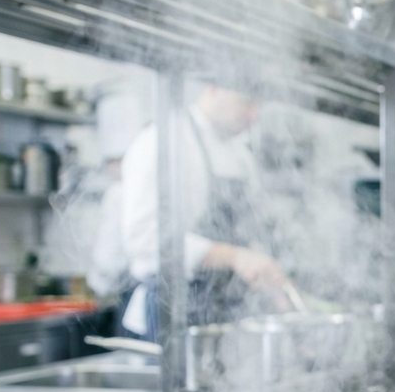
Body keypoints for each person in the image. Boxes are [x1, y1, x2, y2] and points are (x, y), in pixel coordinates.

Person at [106, 84, 288, 340]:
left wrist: (270, 283)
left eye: (259, 106)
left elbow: (249, 234)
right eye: (246, 102)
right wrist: (235, 257)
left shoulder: (241, 157)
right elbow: (144, 240)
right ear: (212, 88)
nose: (254, 115)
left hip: (223, 314)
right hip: (168, 314)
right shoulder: (162, 141)